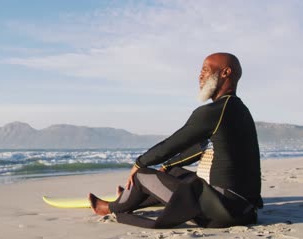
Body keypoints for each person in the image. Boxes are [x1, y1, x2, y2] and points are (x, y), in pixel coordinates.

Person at [88, 52, 263, 228]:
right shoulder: (238, 109)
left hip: (220, 211)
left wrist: (139, 164)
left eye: (205, 70)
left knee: (141, 176)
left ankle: (111, 207)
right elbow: (200, 148)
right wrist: (167, 166)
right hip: (244, 210)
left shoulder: (215, 111)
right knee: (174, 172)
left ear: (225, 73)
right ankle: (136, 197)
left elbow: (173, 144)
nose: (200, 76)